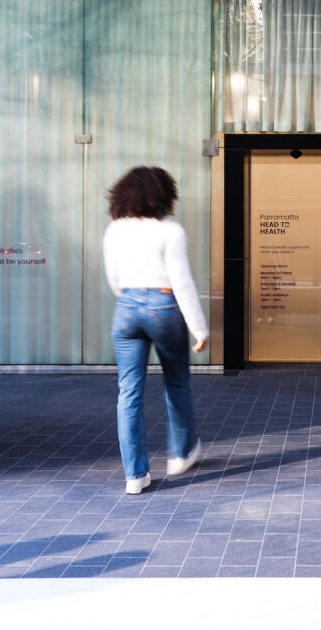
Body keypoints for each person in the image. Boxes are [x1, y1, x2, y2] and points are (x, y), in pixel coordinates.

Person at [103, 166, 208, 494]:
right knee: (176, 382)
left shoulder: (114, 230)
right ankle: (181, 454)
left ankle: (135, 476)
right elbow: (181, 280)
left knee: (128, 393)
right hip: (163, 306)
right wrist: (198, 327)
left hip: (126, 307)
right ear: (163, 194)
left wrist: (130, 301)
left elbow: (114, 278)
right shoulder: (170, 230)